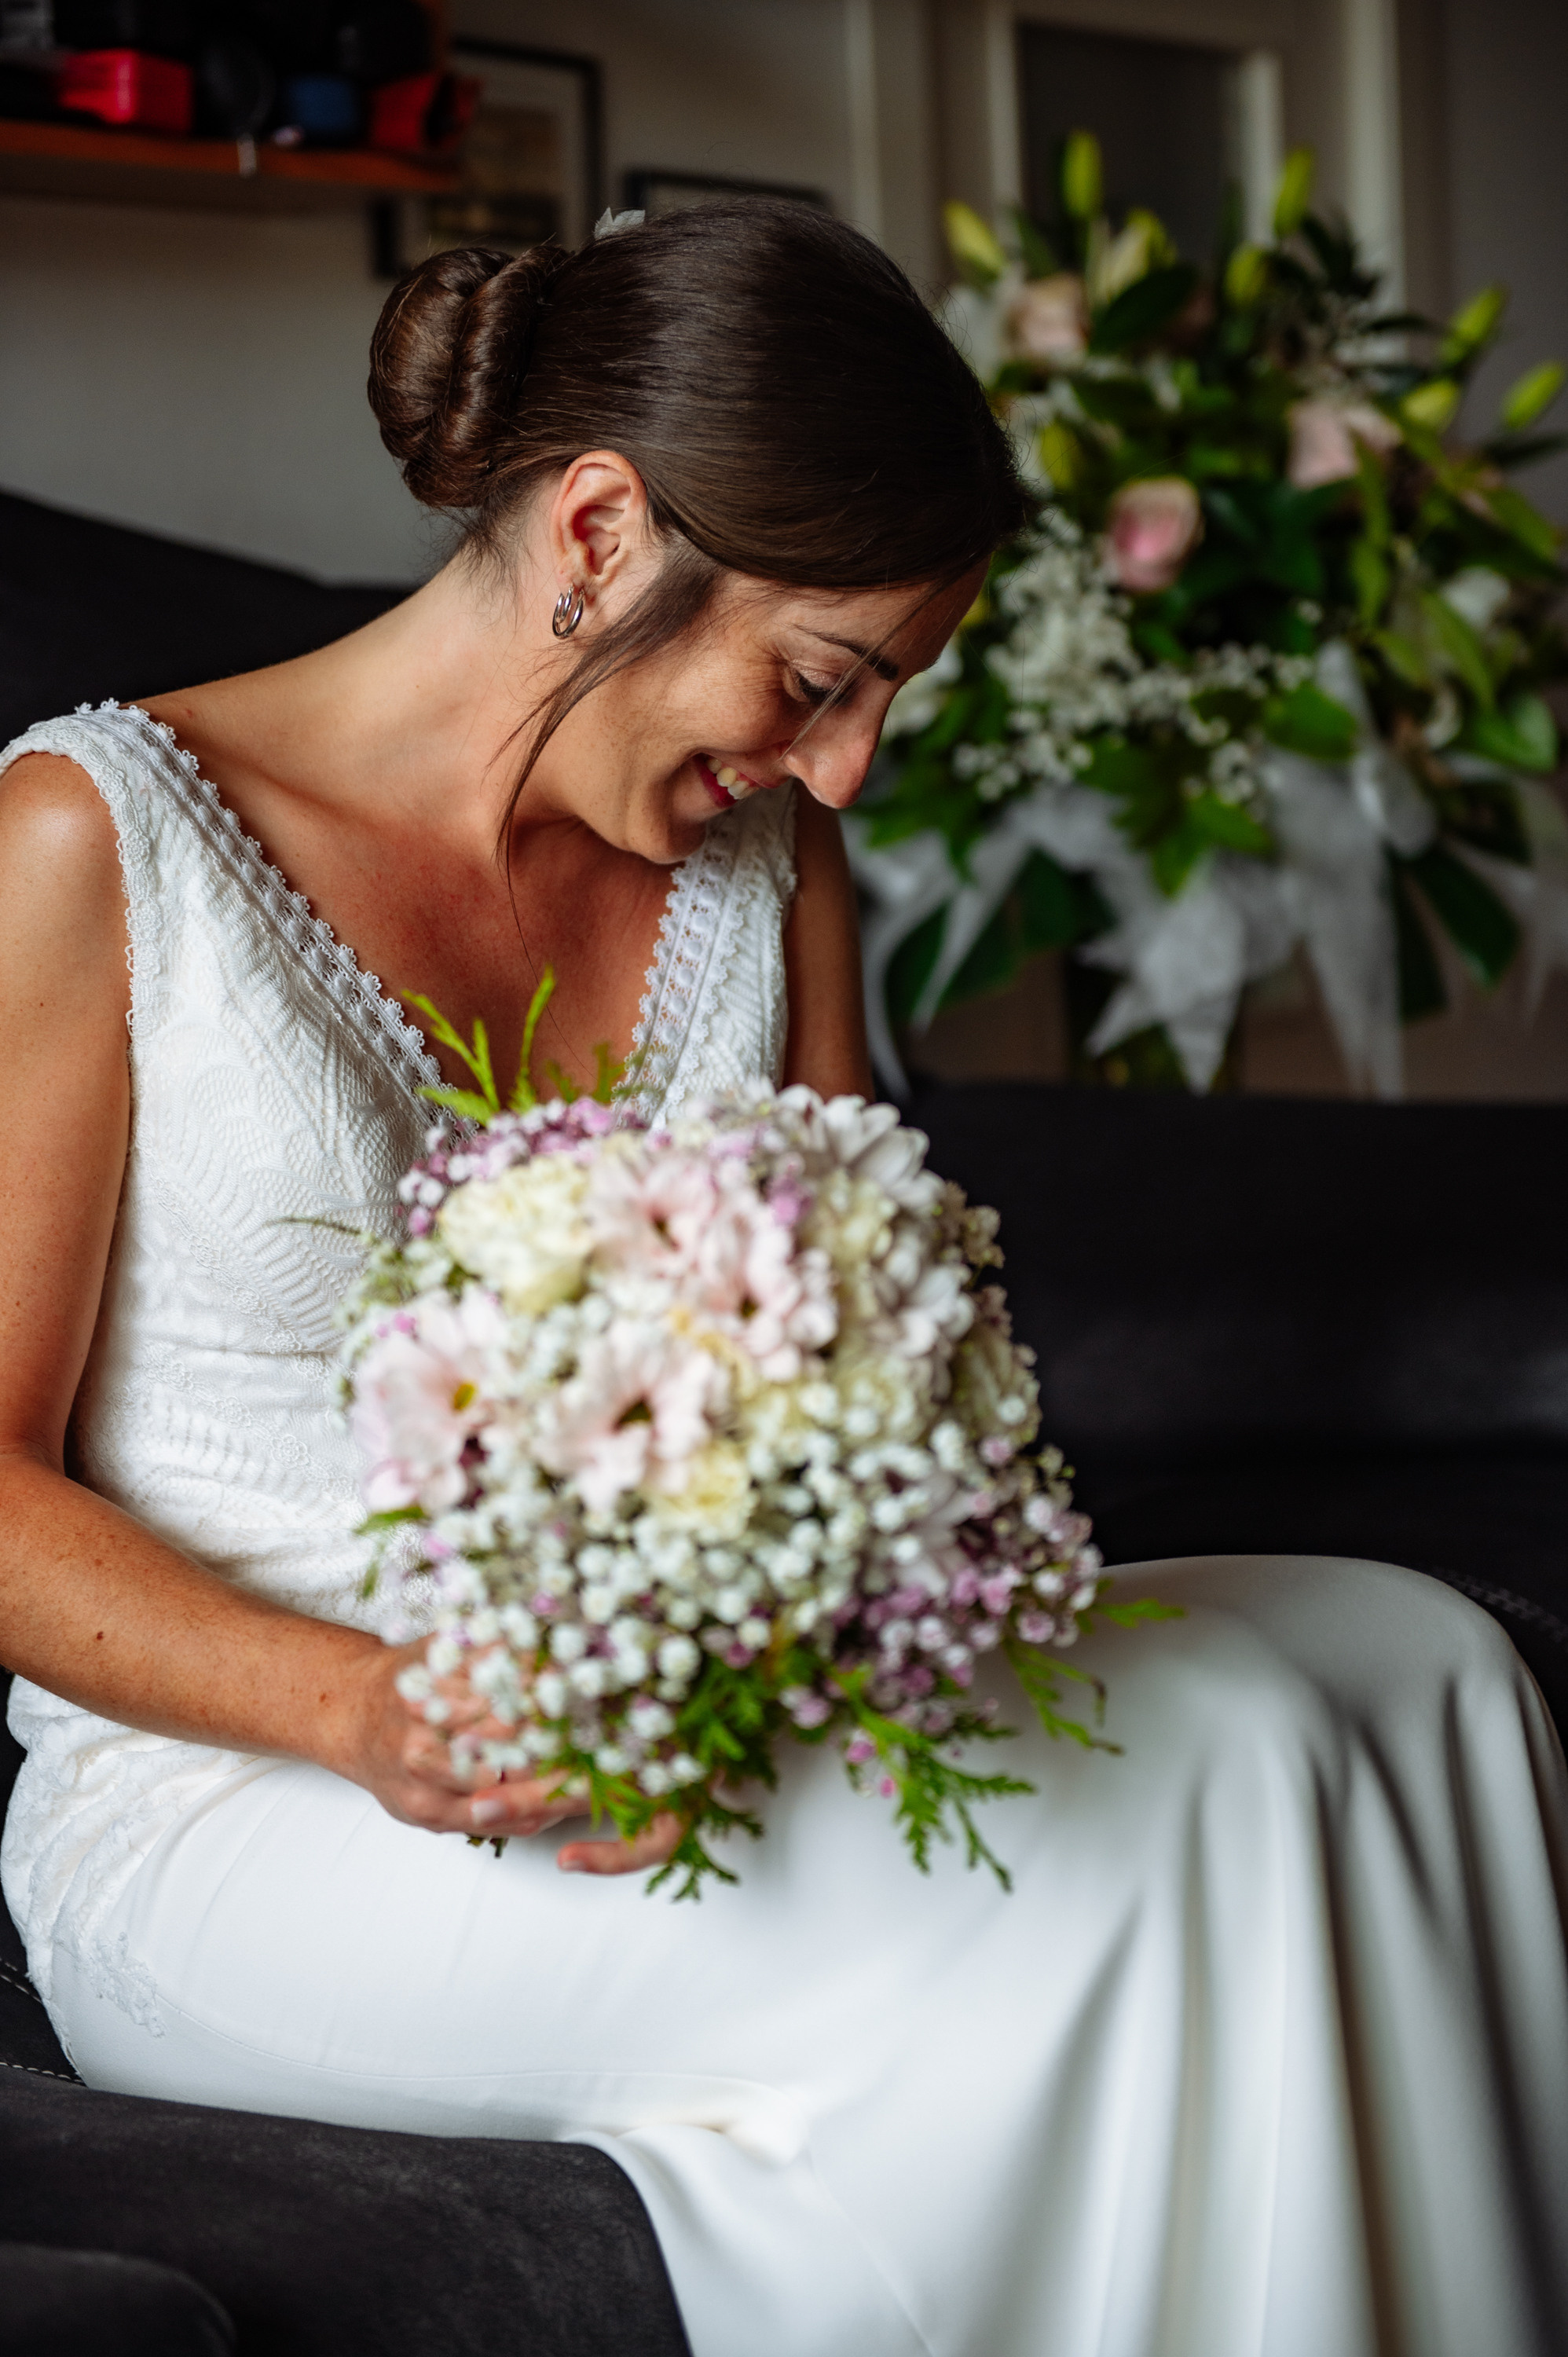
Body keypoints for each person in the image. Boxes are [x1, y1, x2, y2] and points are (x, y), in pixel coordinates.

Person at [1, 202, 1565, 2357]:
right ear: (600, 528)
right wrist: (369, 1715)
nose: (840, 772)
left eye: (880, 703)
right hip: (253, 1808)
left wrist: (877, 1557)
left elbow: (870, 1315)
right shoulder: (97, 841)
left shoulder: (769, 862)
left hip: (712, 1717)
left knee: (1420, 1673)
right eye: (820, 682)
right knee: (1157, 1829)